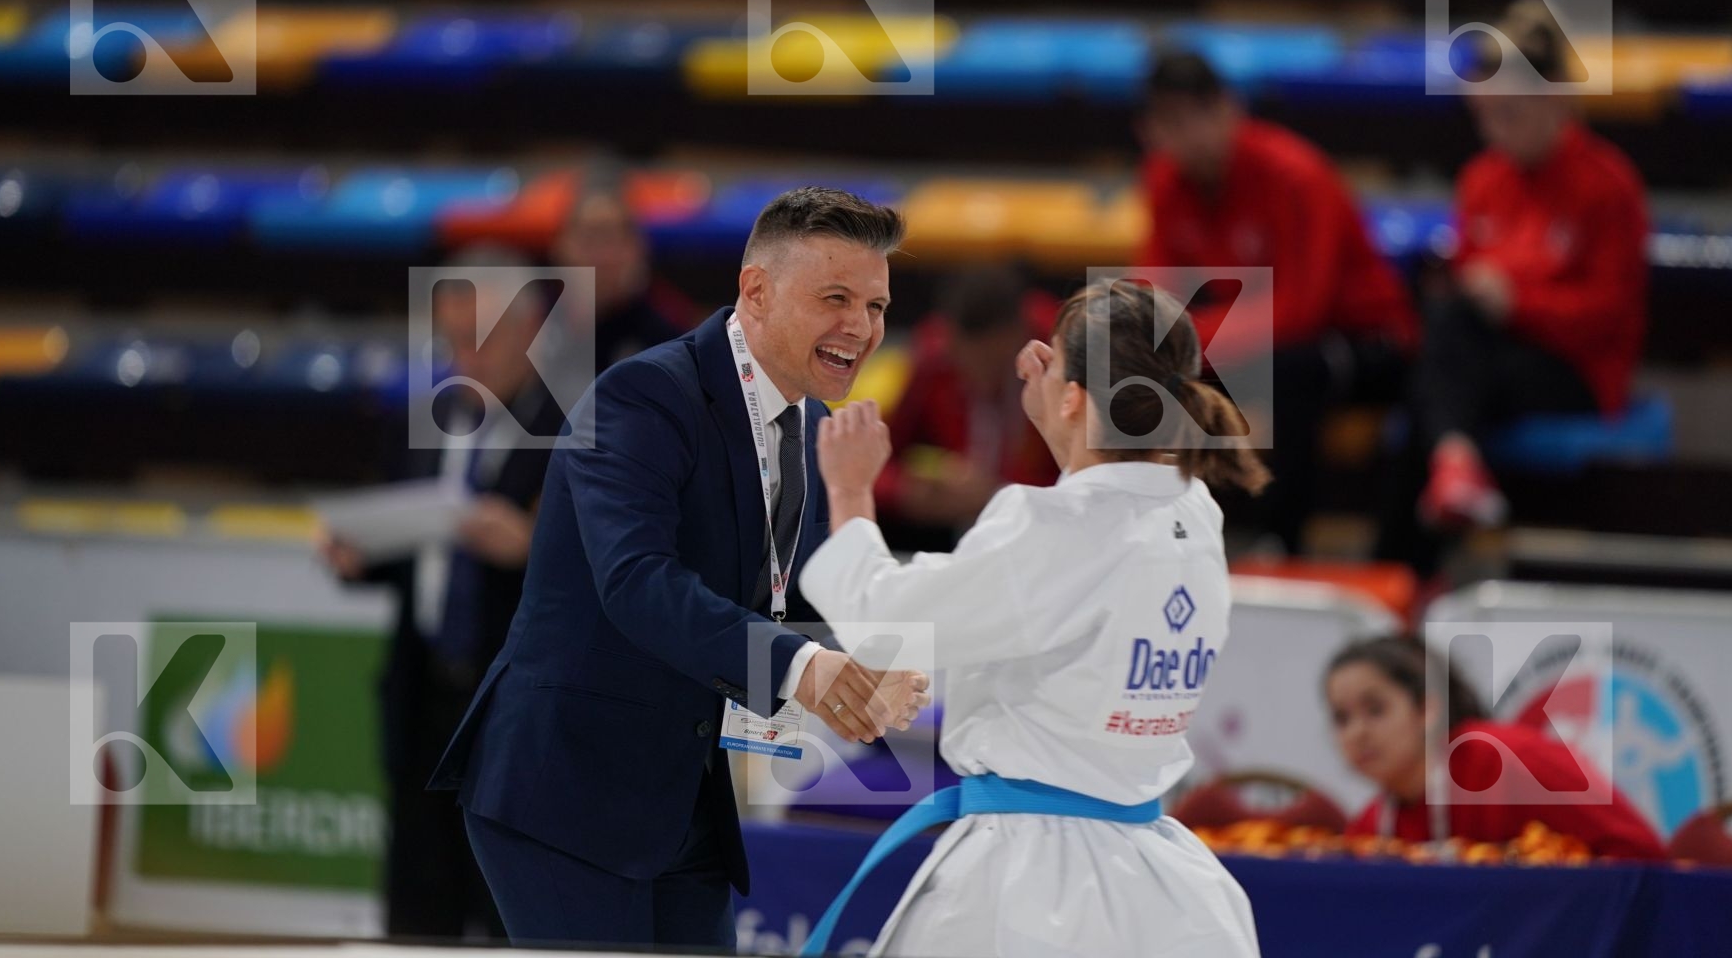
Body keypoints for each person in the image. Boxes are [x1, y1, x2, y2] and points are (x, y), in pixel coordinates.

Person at [426, 187, 932, 949]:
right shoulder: (641, 397)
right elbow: (638, 584)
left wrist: (863, 669)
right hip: (564, 794)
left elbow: (798, 597)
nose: (861, 327)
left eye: (876, 306)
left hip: (681, 799)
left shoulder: (813, 426)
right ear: (756, 291)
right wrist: (806, 671)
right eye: (835, 298)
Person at [797, 278, 1268, 958]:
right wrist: (1068, 414)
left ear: (1075, 396)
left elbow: (883, 624)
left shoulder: (1047, 527)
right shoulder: (1192, 510)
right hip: (1163, 889)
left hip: (1027, 888)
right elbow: (1100, 506)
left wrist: (848, 490)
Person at [320, 252, 562, 941]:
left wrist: (532, 549)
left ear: (529, 331)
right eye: (454, 338)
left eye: (482, 337)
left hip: (515, 703)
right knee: (417, 908)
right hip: (422, 692)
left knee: (510, 905)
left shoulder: (573, 429)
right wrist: (356, 555)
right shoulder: (421, 420)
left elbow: (612, 572)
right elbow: (406, 554)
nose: (465, 356)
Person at [1377, 0, 1650, 571]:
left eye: (1510, 114)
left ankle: (1403, 571)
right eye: (1483, 116)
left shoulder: (1608, 186)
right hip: (1486, 357)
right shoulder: (1482, 179)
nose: (1494, 132)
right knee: (1436, 353)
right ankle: (1451, 477)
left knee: (1433, 389)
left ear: (1556, 100)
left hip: (1573, 370)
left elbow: (1610, 314)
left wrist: (1519, 303)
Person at [1137, 51, 1417, 555]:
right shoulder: (1165, 181)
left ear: (1228, 109)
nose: (1182, 138)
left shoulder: (1296, 176)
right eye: (1167, 124)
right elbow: (1152, 297)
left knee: (1287, 371)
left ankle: (1280, 543)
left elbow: (1300, 311)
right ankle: (1141, 539)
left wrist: (1183, 338)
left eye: (1191, 119)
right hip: (1257, 342)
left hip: (1366, 342)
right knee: (1129, 366)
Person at [1324, 634, 1667, 861]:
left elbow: (1640, 853)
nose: (1357, 733)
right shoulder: (1369, 828)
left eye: (1375, 710)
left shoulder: (1509, 759)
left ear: (1427, 709)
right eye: (1341, 718)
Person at [874, 264, 1058, 550]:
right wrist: (910, 491)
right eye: (964, 362)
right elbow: (879, 458)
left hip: (1043, 527)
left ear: (1019, 336)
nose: (977, 376)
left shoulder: (1061, 359)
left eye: (991, 363)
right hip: (953, 528)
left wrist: (998, 492)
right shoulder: (934, 359)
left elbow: (1090, 478)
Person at [548, 167, 695, 371]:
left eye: (612, 239)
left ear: (639, 248)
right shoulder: (532, 322)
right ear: (560, 247)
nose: (602, 257)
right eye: (588, 239)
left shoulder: (672, 328)